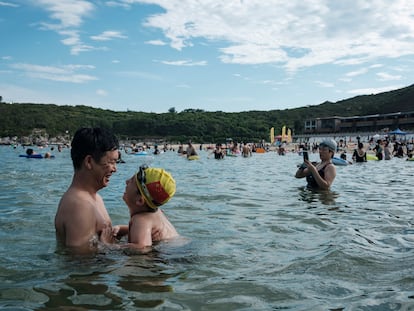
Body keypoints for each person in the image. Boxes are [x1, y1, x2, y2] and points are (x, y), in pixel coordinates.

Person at [55, 127, 120, 253]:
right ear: (89, 161)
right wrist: (109, 247)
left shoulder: (94, 198)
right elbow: (80, 263)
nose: (114, 169)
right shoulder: (80, 205)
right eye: (111, 162)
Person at [103, 165, 178, 252]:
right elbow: (146, 232)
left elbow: (142, 248)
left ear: (140, 200)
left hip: (170, 256)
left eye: (131, 181)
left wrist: (108, 245)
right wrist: (121, 229)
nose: (126, 181)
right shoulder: (155, 213)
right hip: (176, 248)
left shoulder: (141, 219)